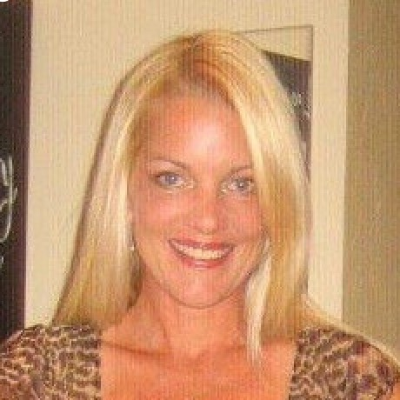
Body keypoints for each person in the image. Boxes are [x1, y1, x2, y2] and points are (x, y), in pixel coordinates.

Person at [0, 30, 399, 399]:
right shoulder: (39, 375)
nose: (208, 219)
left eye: (242, 184)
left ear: (276, 203)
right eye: (172, 179)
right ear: (124, 191)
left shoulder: (352, 381)